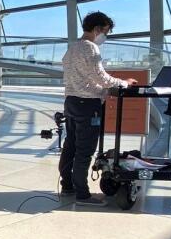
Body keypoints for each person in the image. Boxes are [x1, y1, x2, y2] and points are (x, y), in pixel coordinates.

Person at [58, 12, 135, 205]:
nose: (105, 36)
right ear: (97, 29)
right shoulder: (91, 48)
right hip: (87, 105)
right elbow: (101, 77)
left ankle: (67, 185)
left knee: (70, 146)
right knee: (85, 149)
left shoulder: (72, 49)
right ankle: (82, 194)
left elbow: (83, 78)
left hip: (72, 102)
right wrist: (124, 83)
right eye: (106, 31)